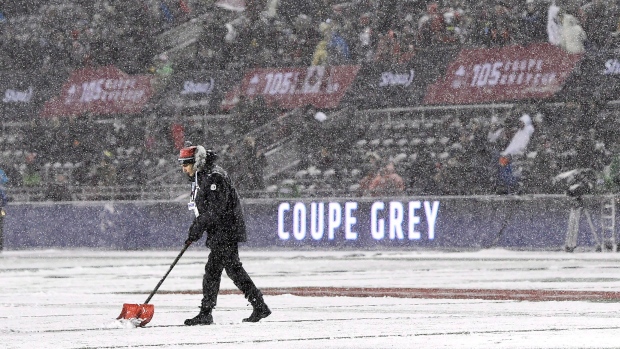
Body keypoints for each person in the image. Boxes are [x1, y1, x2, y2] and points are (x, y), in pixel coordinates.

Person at [178, 142, 271, 326]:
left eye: (186, 164)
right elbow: (205, 210)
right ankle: (259, 305)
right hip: (220, 231)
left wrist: (197, 228)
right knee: (231, 270)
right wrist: (197, 227)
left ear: (196, 162)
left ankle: (207, 312)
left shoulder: (214, 178)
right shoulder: (203, 177)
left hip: (226, 230)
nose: (183, 168)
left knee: (215, 271)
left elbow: (215, 210)